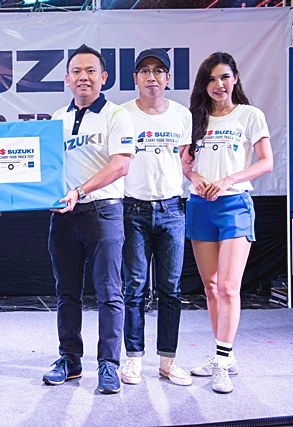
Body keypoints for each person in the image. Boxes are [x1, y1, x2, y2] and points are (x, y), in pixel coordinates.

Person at [42, 44, 135, 394]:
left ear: (103, 77)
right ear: (67, 79)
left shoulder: (117, 115)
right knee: (66, 292)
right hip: (64, 216)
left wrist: (79, 191)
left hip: (103, 212)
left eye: (91, 71)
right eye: (77, 71)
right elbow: (45, 167)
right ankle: (69, 359)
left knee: (109, 292)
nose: (84, 77)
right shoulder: (57, 118)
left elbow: (120, 165)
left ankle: (109, 364)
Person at [183, 52, 273, 393]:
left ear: (235, 78)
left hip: (235, 205)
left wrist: (228, 180)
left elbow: (265, 162)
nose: (218, 85)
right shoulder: (195, 117)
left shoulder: (250, 115)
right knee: (210, 286)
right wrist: (196, 177)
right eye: (211, 79)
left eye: (224, 77)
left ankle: (221, 362)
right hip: (200, 205)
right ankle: (225, 353)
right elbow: (186, 164)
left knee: (228, 286)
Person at [119, 49, 192, 387]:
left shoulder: (181, 115)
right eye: (145, 71)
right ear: (135, 78)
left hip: (172, 210)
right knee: (134, 287)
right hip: (133, 209)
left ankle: (167, 360)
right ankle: (134, 358)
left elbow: (186, 162)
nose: (152, 77)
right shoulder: (121, 114)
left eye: (159, 71)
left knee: (171, 289)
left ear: (168, 78)